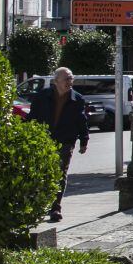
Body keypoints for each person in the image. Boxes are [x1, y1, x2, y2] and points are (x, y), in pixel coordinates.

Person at [26, 67, 89, 222]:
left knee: (60, 174)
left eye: (71, 78)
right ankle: (37, 206)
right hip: (43, 140)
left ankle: (55, 208)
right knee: (41, 173)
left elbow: (81, 120)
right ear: (56, 81)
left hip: (65, 141)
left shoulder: (77, 99)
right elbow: (32, 117)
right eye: (66, 78)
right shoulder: (42, 96)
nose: (70, 82)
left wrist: (84, 140)